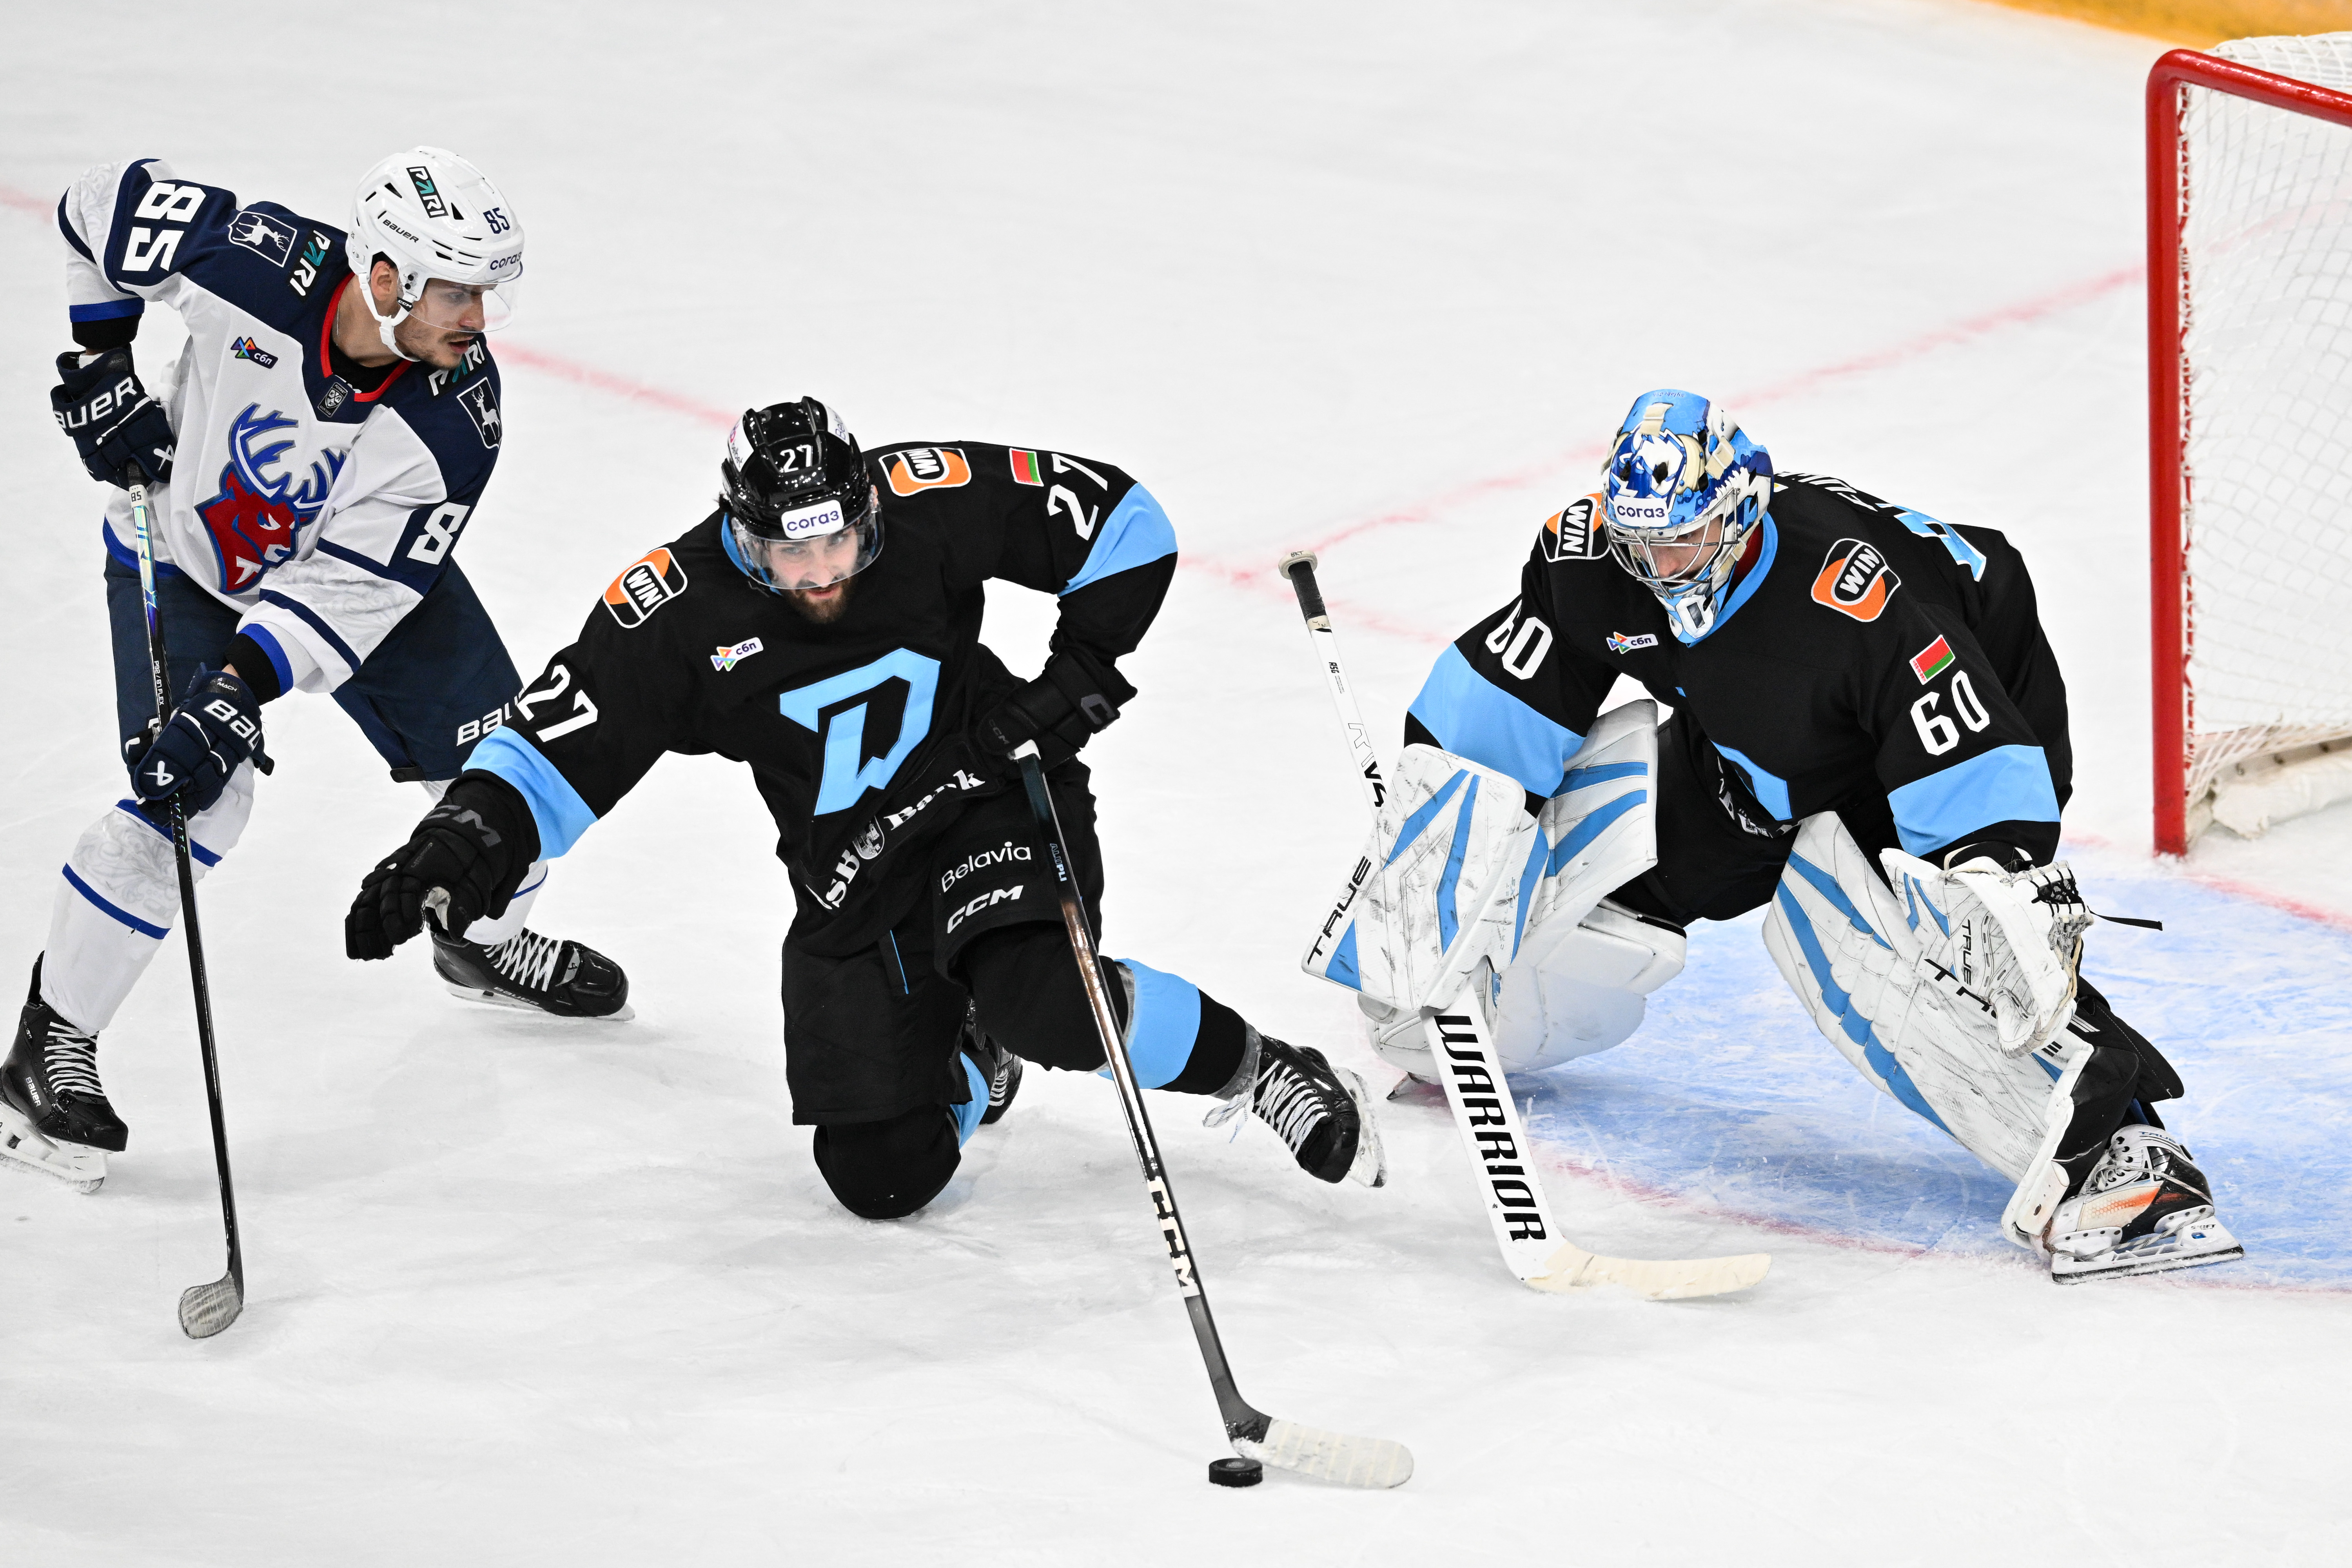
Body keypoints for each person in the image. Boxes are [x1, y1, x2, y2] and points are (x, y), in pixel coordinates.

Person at [343, 399, 1384, 1219]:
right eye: (790, 555)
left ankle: (1261, 1070)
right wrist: (456, 840)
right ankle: (972, 1052)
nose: (819, 576)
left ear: (865, 511)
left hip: (989, 793)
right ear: (741, 531)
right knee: (881, 1175)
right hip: (853, 870)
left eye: (838, 545)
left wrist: (1072, 683)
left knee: (1044, 1002)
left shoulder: (922, 497)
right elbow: (551, 750)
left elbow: (1126, 521)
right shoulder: (674, 608)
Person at [1376, 387, 2238, 1283]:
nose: (1660, 567)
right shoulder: (1595, 558)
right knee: (1581, 884)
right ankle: (1455, 1026)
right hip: (1753, 747)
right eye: (1641, 542)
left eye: (1684, 540)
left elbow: (1968, 751)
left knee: (1938, 940)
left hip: (1950, 731)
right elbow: (1501, 706)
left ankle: (2131, 1159)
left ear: (1741, 510)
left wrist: (1989, 871)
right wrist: (1435, 847)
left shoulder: (1854, 597)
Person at [3, 148, 630, 1191]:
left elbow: (347, 592)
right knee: (191, 801)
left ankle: (478, 939)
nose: (479, 319)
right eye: (457, 292)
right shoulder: (249, 261)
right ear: (384, 277)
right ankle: (51, 1041)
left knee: (507, 781)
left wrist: (236, 691)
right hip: (187, 558)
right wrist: (104, 361)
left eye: (489, 292)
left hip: (353, 574)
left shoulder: (455, 419)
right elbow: (94, 206)